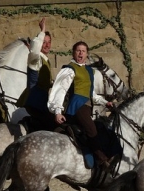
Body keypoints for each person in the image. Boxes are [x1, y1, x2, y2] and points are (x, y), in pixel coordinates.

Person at [47, 41, 116, 171]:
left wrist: (104, 102)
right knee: (92, 130)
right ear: (73, 52)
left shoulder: (89, 70)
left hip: (87, 106)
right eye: (78, 50)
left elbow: (92, 93)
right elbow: (60, 90)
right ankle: (102, 160)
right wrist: (57, 111)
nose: (80, 53)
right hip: (77, 106)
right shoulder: (69, 69)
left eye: (83, 51)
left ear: (87, 54)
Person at [17, 17, 57, 132]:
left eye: (49, 42)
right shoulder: (35, 58)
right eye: (44, 42)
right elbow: (34, 50)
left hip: (42, 102)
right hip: (35, 101)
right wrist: (42, 30)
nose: (47, 45)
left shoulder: (46, 61)